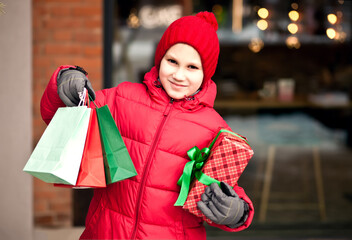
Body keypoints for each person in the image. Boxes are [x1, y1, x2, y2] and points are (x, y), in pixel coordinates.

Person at [41, 11, 254, 240]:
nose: (179, 75)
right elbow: (61, 117)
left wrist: (238, 212)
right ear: (160, 58)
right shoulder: (122, 99)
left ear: (207, 73)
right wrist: (65, 80)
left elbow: (224, 185)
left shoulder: (215, 129)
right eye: (172, 61)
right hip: (107, 232)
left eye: (192, 67)